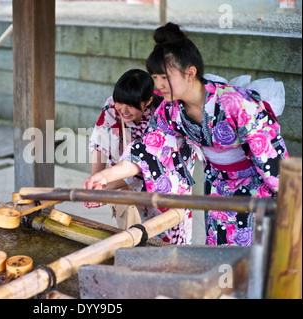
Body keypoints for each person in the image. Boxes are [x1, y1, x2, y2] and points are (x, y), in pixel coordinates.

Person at [85, 22, 289, 246]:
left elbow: (272, 160)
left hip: (257, 186)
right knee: (221, 256)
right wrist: (105, 176)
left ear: (190, 73)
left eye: (165, 77)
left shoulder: (236, 103)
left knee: (260, 257)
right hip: (218, 186)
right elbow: (147, 153)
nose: (159, 85)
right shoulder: (169, 111)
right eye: (155, 78)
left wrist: (289, 201)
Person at [86, 69, 194, 244]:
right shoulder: (113, 107)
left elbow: (141, 164)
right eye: (120, 102)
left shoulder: (163, 115)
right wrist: (95, 184)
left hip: (164, 181)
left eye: (132, 105)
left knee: (166, 240)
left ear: (148, 101)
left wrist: (105, 185)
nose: (124, 110)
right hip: (123, 174)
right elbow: (101, 143)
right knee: (130, 238)